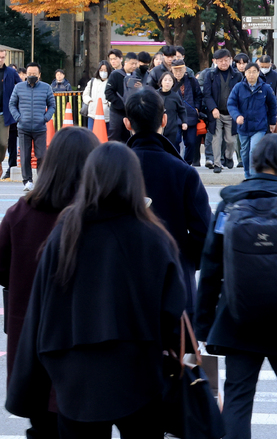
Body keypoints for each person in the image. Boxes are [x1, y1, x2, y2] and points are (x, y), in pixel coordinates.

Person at [6, 142, 188, 437]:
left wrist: (30, 387)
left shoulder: (65, 234)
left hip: (75, 379)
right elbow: (172, 310)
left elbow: (40, 313)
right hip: (139, 374)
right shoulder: (153, 236)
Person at [195, 135, 277, 439]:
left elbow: (210, 267)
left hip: (238, 317)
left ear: (253, 162)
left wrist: (203, 325)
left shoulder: (230, 204)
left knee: (237, 399)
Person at [0, 127, 98, 437]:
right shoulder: (99, 218)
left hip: (32, 352)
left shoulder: (19, 215)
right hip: (86, 353)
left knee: (42, 428)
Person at [124, 89, 212, 314]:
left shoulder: (109, 171)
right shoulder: (183, 172)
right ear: (164, 119)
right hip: (176, 284)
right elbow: (204, 233)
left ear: (126, 123)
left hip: (122, 286)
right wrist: (186, 260)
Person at [227, 63, 277, 180]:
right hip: (243, 127)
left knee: (254, 150)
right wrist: (237, 116)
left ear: (258, 72)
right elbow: (231, 104)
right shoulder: (238, 87)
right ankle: (247, 174)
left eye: (254, 71)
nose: (251, 74)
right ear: (244, 73)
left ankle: (254, 177)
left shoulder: (265, 88)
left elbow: (272, 105)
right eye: (249, 71)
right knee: (244, 152)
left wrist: (272, 122)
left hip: (259, 126)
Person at [9, 63, 55, 191]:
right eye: (29, 74)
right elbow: (12, 104)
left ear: (39, 75)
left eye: (34, 74)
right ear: (25, 75)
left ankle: (41, 181)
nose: (31, 76)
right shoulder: (18, 87)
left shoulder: (46, 88)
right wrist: (18, 117)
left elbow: (52, 105)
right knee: (25, 156)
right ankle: (27, 181)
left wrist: (46, 118)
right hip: (23, 127)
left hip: (40, 127)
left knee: (41, 156)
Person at [203, 49, 243, 171]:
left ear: (231, 60)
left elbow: (241, 93)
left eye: (226, 60)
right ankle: (217, 164)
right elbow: (207, 94)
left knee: (231, 140)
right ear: (215, 61)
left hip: (232, 112)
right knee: (216, 138)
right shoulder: (210, 75)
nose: (224, 63)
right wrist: (213, 108)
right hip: (216, 113)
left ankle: (228, 157)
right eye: (220, 61)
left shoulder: (237, 75)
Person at [171, 60, 205, 166]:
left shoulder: (192, 80)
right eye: (175, 70)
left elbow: (199, 95)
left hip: (190, 114)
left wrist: (197, 108)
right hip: (175, 116)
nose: (178, 72)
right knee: (175, 140)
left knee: (191, 142)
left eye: (180, 70)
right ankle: (176, 162)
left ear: (185, 69)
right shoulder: (169, 80)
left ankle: (186, 163)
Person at [1, 50, 21, 179]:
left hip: (5, 112)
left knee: (3, 143)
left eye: (2, 57)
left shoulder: (11, 72)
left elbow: (20, 86)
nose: (0, 59)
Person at [156, 73, 188, 147]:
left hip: (171, 128)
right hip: (157, 127)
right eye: (165, 80)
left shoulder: (175, 96)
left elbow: (182, 110)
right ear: (161, 82)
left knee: (170, 148)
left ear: (173, 83)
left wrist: (184, 122)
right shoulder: (155, 95)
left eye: (170, 80)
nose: (167, 82)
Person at [81, 62, 111, 130]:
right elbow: (85, 94)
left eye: (105, 70)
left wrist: (109, 103)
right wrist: (89, 101)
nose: (103, 72)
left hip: (106, 116)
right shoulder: (92, 81)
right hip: (92, 114)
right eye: (101, 70)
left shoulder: (111, 82)